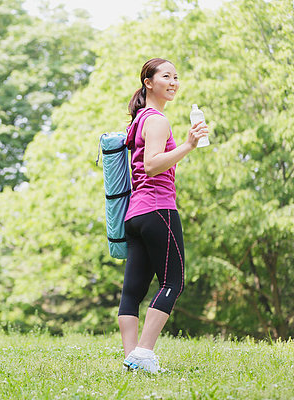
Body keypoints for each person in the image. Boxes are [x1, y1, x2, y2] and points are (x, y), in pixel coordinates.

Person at [118, 58, 208, 373]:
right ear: (149, 82)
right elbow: (154, 164)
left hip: (135, 215)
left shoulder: (139, 119)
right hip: (158, 209)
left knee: (132, 291)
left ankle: (132, 360)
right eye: (165, 76)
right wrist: (188, 144)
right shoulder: (157, 120)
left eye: (176, 77)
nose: (173, 82)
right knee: (173, 281)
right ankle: (144, 352)